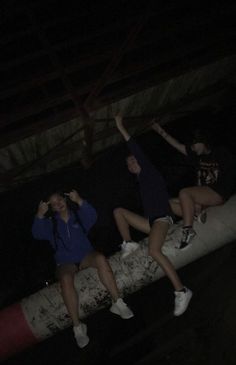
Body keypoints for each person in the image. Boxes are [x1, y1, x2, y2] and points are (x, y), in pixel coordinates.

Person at [32, 189, 134, 349]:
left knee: (100, 258)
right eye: (54, 203)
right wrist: (39, 214)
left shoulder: (77, 216)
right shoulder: (50, 224)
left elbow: (93, 215)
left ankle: (118, 302)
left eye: (59, 199)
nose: (58, 203)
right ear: (52, 208)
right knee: (65, 279)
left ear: (65, 200)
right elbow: (36, 233)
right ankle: (78, 327)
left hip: (86, 256)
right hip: (65, 263)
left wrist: (79, 200)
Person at [114, 115, 192, 317]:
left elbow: (135, 148)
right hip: (151, 222)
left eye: (133, 160)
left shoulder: (149, 171)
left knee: (154, 251)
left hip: (162, 219)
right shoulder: (141, 181)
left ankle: (181, 290)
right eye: (128, 164)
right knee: (118, 212)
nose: (131, 164)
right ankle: (128, 242)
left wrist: (120, 126)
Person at [151, 121, 235, 249]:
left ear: (202, 142)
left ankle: (188, 230)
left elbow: (232, 171)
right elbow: (178, 145)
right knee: (167, 203)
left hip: (219, 192)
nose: (193, 149)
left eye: (195, 145)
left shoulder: (220, 153)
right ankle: (196, 214)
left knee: (185, 193)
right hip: (202, 197)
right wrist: (160, 131)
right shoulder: (196, 157)